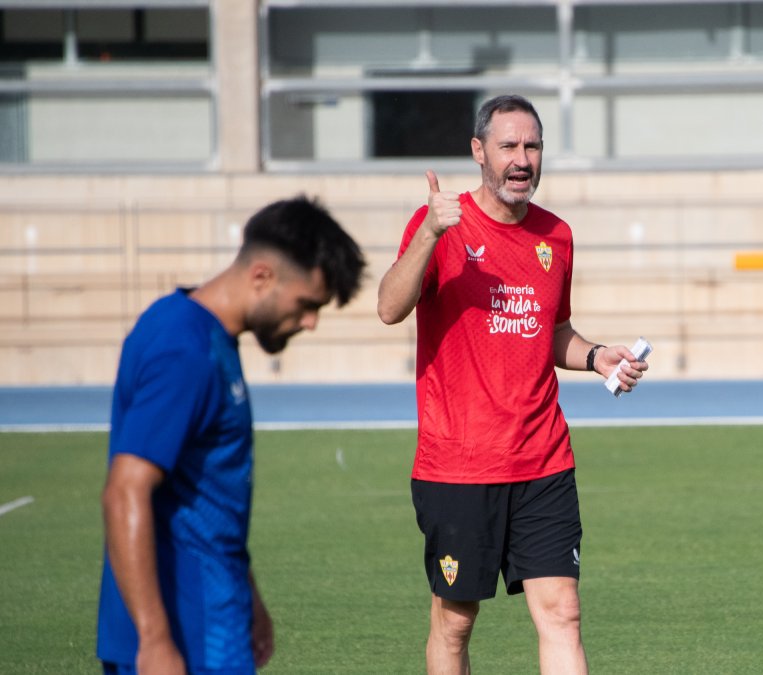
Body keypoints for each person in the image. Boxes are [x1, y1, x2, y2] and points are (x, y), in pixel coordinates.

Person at [377, 94, 647, 674]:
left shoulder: (558, 236)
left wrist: (596, 356)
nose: (522, 159)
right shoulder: (440, 228)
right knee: (454, 623)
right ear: (479, 152)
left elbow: (551, 332)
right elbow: (389, 307)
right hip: (459, 464)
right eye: (508, 146)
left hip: (543, 460)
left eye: (532, 146)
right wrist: (428, 234)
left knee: (562, 612)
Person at [97, 196, 366, 674]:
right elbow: (124, 491)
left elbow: (205, 494)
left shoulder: (201, 333)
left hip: (215, 618)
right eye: (306, 305)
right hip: (188, 635)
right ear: (261, 275)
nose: (310, 322)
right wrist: (156, 642)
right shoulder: (184, 348)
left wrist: (249, 593)